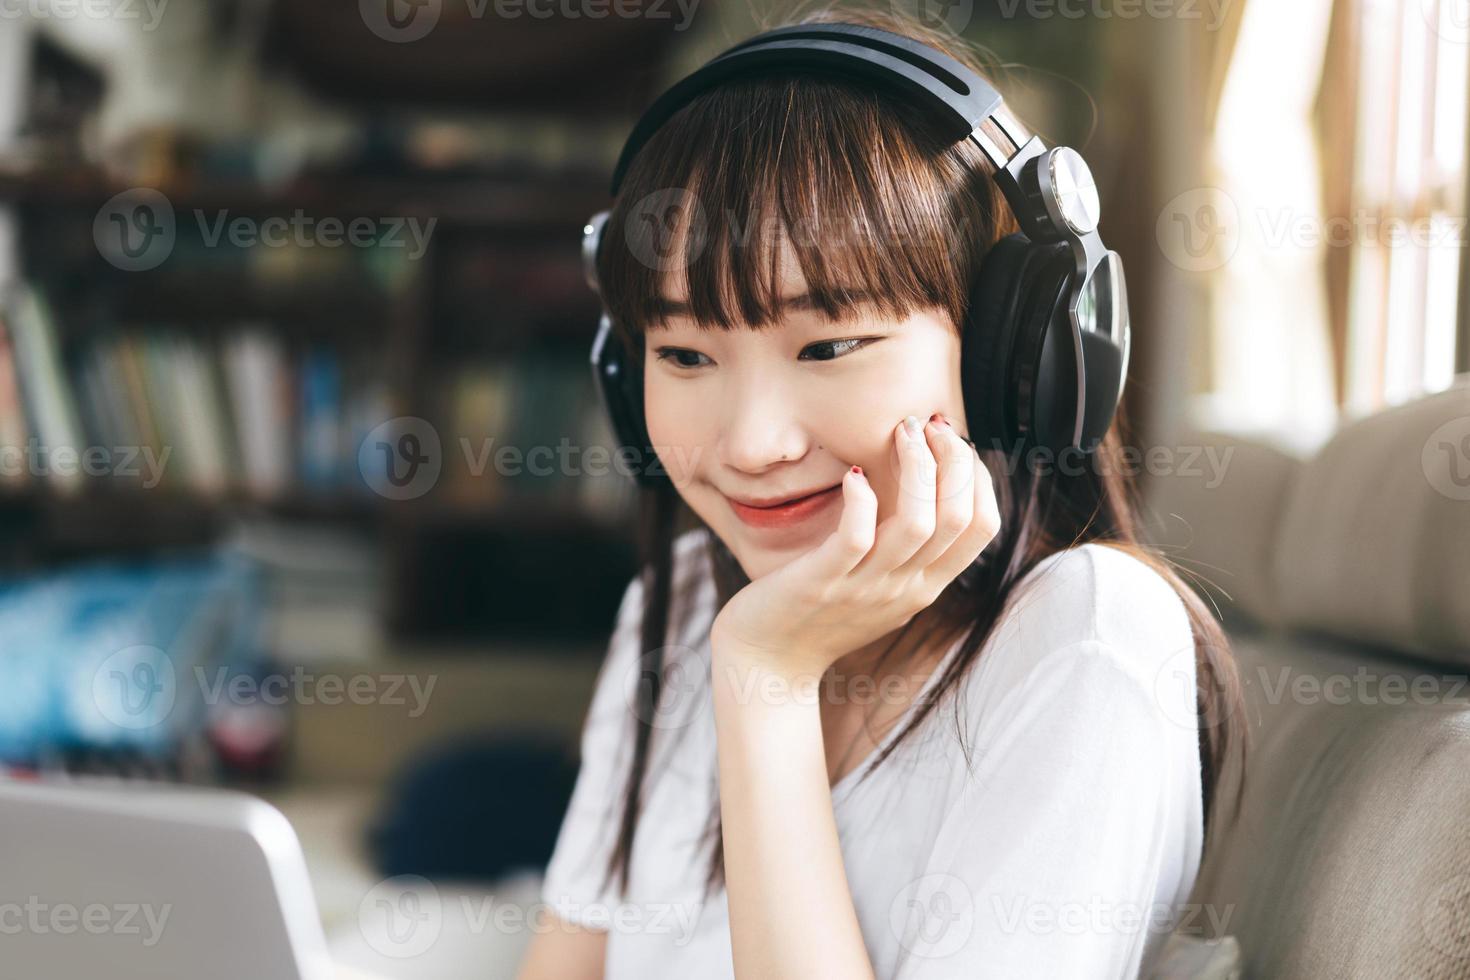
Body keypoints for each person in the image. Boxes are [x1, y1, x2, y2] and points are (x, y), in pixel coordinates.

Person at [517, 6, 1245, 978]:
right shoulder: (684, 599)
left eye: (828, 346)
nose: (754, 444)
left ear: (1010, 357)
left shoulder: (1088, 642)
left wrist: (766, 679)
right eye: (684, 354)